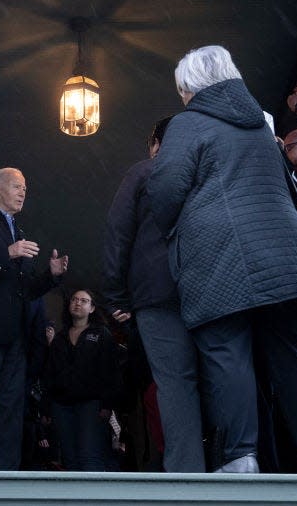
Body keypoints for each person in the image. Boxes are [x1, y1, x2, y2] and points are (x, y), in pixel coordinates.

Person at [147, 45, 297, 474]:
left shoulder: (187, 124)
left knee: (225, 350)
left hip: (221, 257)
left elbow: (164, 191)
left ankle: (241, 457)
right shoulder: (258, 122)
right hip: (283, 255)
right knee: (292, 353)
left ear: (189, 87)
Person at [101, 116, 205, 473]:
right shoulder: (205, 173)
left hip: (157, 292)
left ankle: (186, 473)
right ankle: (232, 461)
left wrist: (115, 295)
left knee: (175, 382)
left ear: (155, 143)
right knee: (218, 374)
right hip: (208, 288)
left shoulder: (143, 172)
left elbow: (118, 231)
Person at [0, 166, 69, 470]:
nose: (23, 193)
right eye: (17, 186)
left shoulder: (18, 232)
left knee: (10, 412)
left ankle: (4, 477)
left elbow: (27, 290)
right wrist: (8, 252)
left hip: (15, 337)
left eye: (25, 189)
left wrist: (51, 277)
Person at [43, 289, 121, 471]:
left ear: (92, 308)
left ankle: (94, 499)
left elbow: (112, 372)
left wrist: (107, 405)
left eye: (84, 301)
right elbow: (49, 374)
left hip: (91, 404)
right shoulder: (59, 338)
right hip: (61, 405)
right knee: (69, 458)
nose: (78, 303)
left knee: (90, 456)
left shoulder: (102, 334)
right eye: (74, 299)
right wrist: (46, 407)